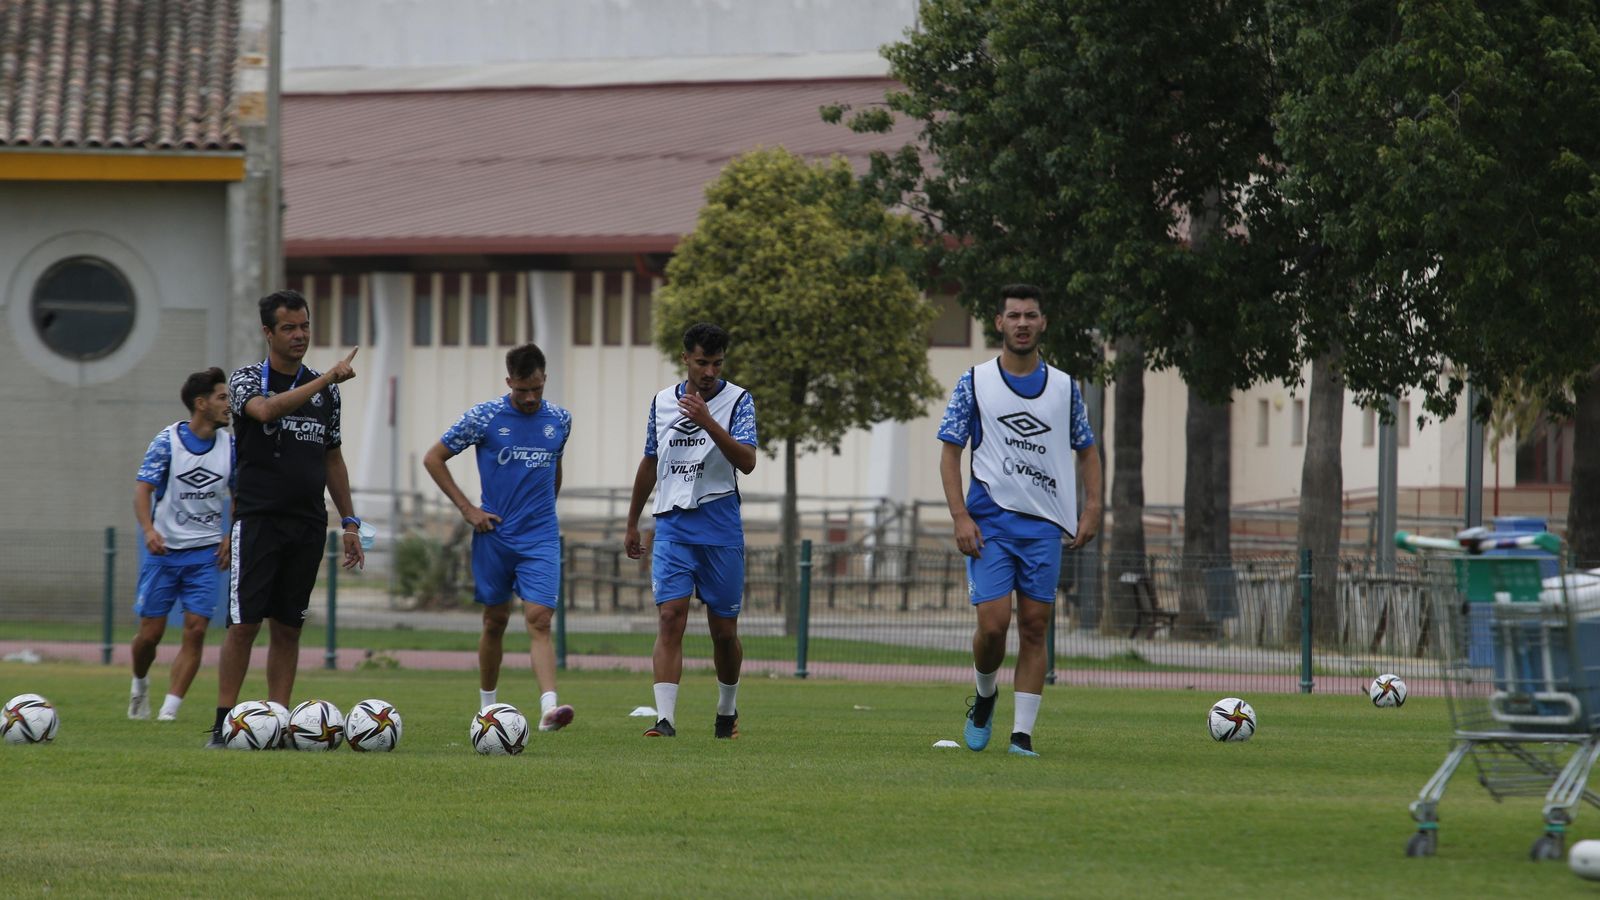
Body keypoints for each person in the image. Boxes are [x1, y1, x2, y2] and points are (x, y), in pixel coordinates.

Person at [938, 284, 1102, 757]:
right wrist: (960, 516)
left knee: (1034, 625)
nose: (1023, 323)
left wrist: (1093, 507)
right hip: (989, 525)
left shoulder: (1065, 387)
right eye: (1014, 315)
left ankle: (1021, 737)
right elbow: (950, 454)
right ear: (1000, 323)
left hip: (1044, 527)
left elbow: (1087, 450)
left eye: (1031, 315)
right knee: (994, 626)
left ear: (1043, 322)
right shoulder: (975, 381)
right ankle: (984, 695)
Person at [206, 289, 364, 748]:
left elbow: (333, 458)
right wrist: (328, 378)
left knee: (289, 627)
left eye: (305, 326)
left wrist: (350, 522)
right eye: (289, 328)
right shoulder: (246, 379)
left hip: (308, 523)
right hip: (258, 520)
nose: (300, 335)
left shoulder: (326, 392)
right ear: (268, 332)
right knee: (243, 625)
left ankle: (277, 723)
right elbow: (266, 410)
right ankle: (223, 723)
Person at [423, 343, 575, 731]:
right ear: (509, 382)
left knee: (540, 620)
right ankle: (487, 709)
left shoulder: (560, 420)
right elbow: (433, 458)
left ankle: (549, 709)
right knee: (495, 621)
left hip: (540, 537)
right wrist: (467, 509)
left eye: (536, 389)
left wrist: (544, 509)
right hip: (494, 535)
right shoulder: (484, 417)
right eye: (522, 390)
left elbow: (553, 468)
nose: (530, 397)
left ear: (545, 380)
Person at [624, 323, 757, 739]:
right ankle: (664, 720)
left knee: (724, 633)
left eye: (717, 363)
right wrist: (632, 521)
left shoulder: (740, 401)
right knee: (669, 617)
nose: (709, 371)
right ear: (685, 359)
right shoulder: (662, 402)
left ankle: (726, 712)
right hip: (672, 525)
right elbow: (651, 461)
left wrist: (708, 421)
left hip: (720, 529)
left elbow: (748, 462)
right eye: (702, 362)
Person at [129, 368, 235, 722]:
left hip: (206, 554)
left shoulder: (231, 447)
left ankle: (168, 713)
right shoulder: (167, 442)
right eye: (222, 397)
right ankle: (140, 685)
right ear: (201, 404)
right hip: (163, 552)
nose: (229, 404)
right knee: (150, 635)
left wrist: (230, 534)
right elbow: (143, 490)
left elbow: (241, 495)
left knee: (197, 629)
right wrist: (148, 531)